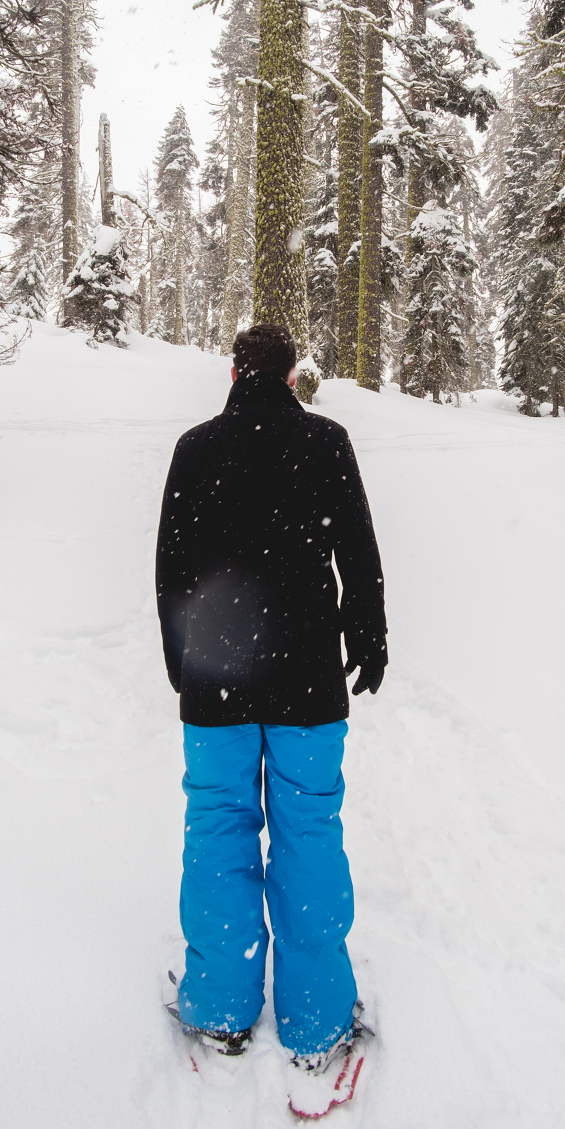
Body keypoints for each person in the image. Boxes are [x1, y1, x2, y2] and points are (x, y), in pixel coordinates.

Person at [155, 322, 387, 1070]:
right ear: (291, 376)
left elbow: (172, 568)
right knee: (308, 832)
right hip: (307, 682)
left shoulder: (196, 449)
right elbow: (357, 548)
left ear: (233, 373)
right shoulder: (326, 441)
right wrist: (369, 636)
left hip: (216, 682)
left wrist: (179, 657)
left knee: (218, 830)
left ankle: (221, 1008)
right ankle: (317, 1021)